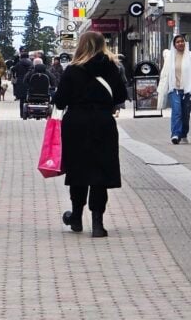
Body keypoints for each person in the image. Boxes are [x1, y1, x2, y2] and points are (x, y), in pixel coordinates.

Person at [53, 31, 127, 238]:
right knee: (100, 172)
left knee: (78, 171)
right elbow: (121, 95)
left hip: (76, 123)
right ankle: (97, 223)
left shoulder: (72, 70)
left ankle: (76, 216)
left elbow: (59, 100)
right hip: (103, 122)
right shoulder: (112, 68)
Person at [156, 35, 191, 145]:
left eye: (182, 41)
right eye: (178, 42)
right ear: (174, 44)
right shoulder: (170, 57)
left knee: (185, 114)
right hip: (174, 89)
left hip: (187, 90)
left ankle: (184, 134)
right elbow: (165, 74)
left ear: (185, 43)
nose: (180, 43)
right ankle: (175, 134)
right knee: (176, 111)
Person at [11, 49, 34, 118]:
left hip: (20, 82)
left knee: (22, 100)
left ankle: (22, 114)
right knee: (29, 99)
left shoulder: (19, 63)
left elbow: (13, 69)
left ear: (21, 57)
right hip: (29, 82)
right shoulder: (31, 63)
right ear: (28, 57)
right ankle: (29, 113)